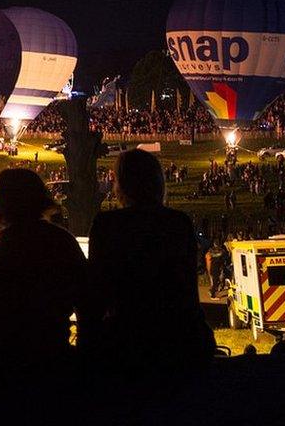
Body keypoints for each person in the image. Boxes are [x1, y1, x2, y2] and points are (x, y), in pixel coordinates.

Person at [79, 149, 215, 374]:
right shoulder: (178, 223)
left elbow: (98, 289)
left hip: (127, 339)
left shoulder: (108, 225)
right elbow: (187, 288)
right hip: (179, 338)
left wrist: (90, 341)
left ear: (121, 184)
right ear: (158, 181)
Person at [0, 168, 85, 371]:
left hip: (3, 364)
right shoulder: (63, 243)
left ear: (1, 206)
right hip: (53, 358)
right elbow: (88, 302)